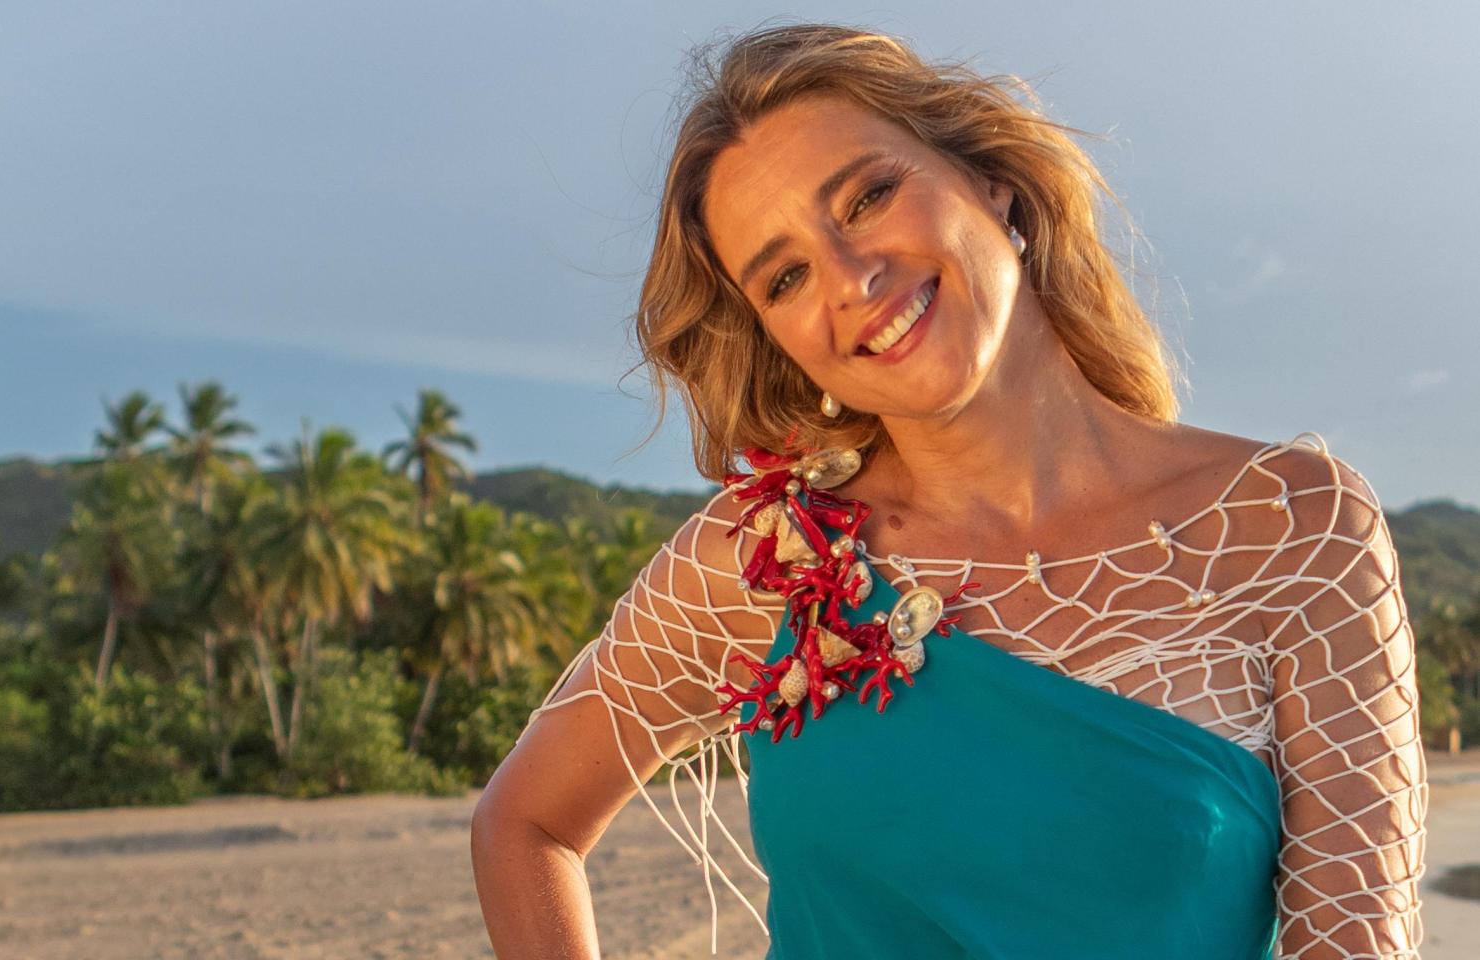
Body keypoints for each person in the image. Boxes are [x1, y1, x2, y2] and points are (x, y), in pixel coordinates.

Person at [471, 23, 1427, 960]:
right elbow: (525, 824)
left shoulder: (1295, 527)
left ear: (990, 178)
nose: (851, 280)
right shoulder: (767, 556)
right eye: (788, 275)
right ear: (779, 339)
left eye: (869, 197)